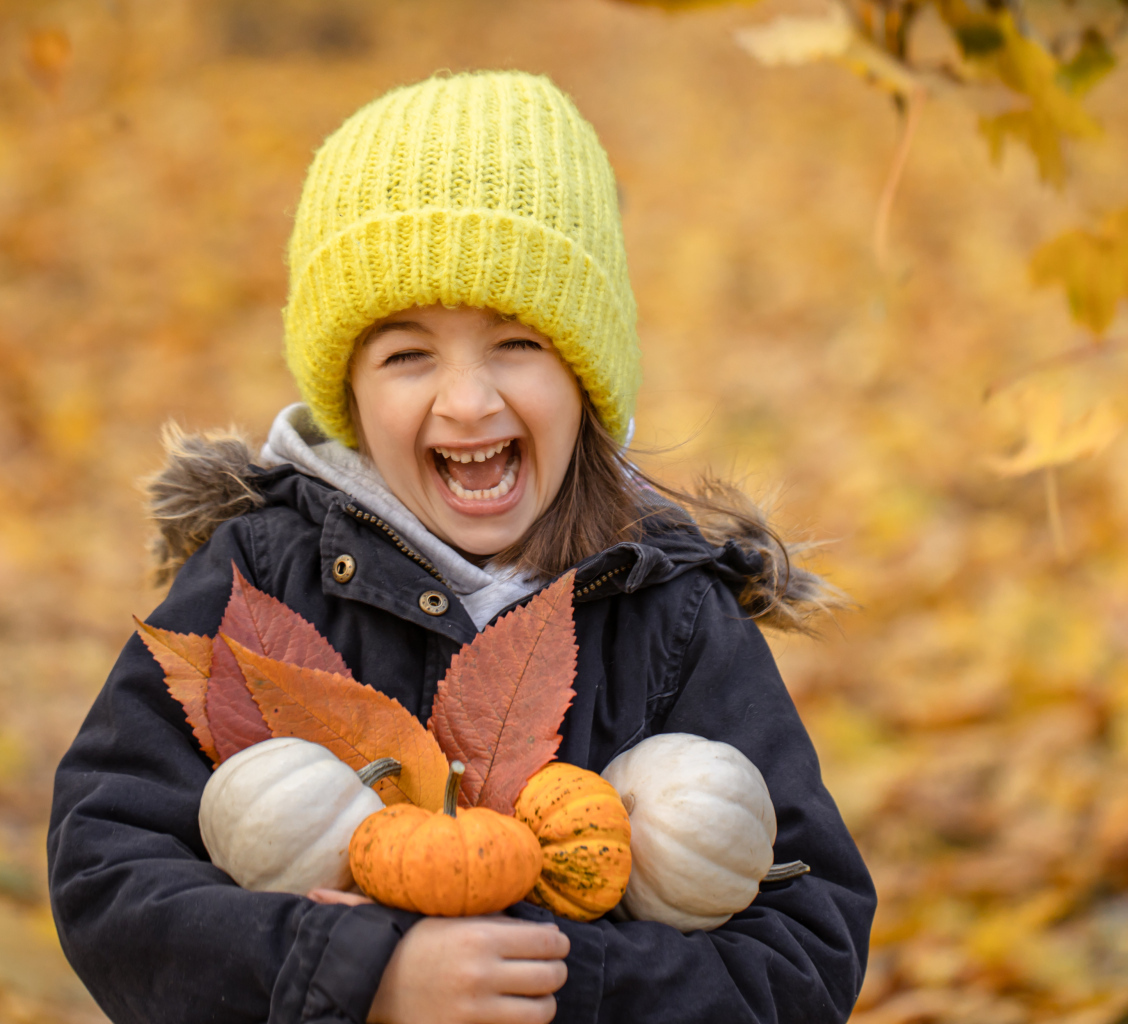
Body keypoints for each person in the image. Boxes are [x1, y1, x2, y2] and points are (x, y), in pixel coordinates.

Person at [47, 71, 876, 1024]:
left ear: (586, 372)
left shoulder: (670, 611)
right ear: (351, 395)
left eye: (517, 342)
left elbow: (808, 943)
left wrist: (550, 980)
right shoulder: (263, 579)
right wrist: (366, 976)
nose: (468, 401)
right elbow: (107, 868)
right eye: (408, 355)